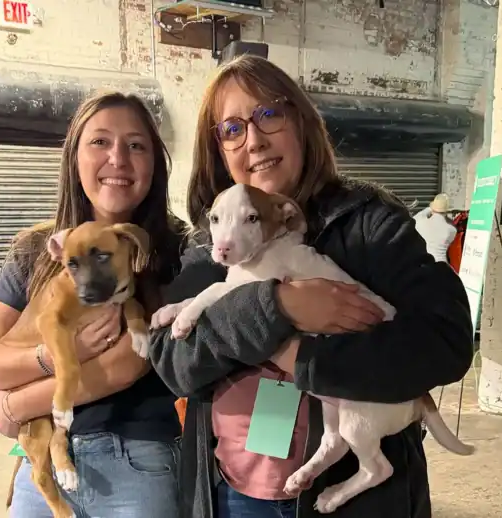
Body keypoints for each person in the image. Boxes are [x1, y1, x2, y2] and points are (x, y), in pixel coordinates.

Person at [148, 55, 473, 518]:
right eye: (233, 129)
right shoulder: (212, 243)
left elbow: (445, 343)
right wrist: (277, 307)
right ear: (218, 149)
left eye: (269, 113)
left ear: (301, 121)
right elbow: (173, 364)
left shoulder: (369, 223)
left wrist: (305, 357)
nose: (254, 140)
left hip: (352, 503)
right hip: (233, 493)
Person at [0, 92, 185, 518]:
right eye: (100, 141)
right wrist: (55, 356)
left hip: (136, 463)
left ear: (155, 163)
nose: (118, 158)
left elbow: (126, 365)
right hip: (44, 466)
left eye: (136, 145)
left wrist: (15, 405)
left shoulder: (177, 250)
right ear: (74, 157)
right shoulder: (35, 250)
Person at [413, 193, 457, 263]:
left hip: (424, 263)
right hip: (441, 264)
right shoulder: (452, 230)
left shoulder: (420, 223)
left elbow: (414, 218)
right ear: (446, 211)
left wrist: (430, 208)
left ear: (432, 208)